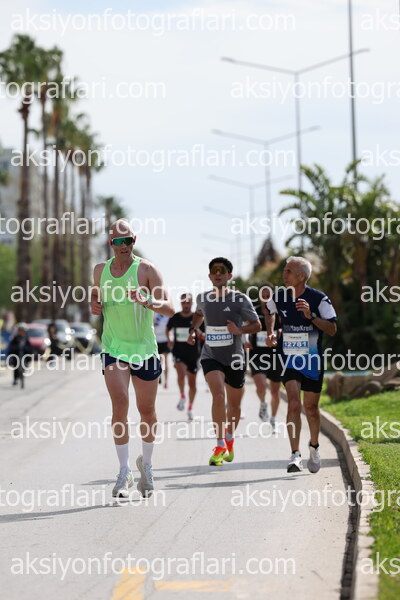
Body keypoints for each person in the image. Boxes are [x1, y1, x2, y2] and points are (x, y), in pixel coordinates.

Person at [91, 220, 174, 498]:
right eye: (118, 241)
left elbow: (170, 308)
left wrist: (147, 300)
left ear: (134, 241)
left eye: (128, 240)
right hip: (114, 348)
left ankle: (146, 465)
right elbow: (96, 295)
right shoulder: (100, 270)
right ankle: (124, 471)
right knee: (120, 404)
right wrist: (94, 303)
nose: (123, 245)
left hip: (144, 350)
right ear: (110, 243)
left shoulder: (147, 270)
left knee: (147, 410)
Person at [266, 256, 337, 473]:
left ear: (301, 276)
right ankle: (295, 455)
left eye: (288, 271)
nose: (284, 274)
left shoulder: (319, 299)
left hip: (312, 359)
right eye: (284, 270)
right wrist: (270, 331)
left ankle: (314, 447)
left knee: (311, 409)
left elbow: (332, 329)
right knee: (294, 403)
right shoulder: (279, 296)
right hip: (288, 357)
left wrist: (311, 316)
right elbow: (269, 310)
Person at [188, 257, 261, 466]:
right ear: (209, 276)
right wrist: (193, 330)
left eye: (222, 271)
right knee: (218, 396)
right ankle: (220, 445)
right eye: (214, 271)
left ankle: (229, 437)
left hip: (235, 357)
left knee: (235, 407)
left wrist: (240, 330)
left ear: (229, 276)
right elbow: (198, 315)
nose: (218, 274)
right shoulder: (202, 298)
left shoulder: (240, 299)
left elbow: (256, 325)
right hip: (211, 356)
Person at [246, 284, 281, 431]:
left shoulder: (278, 311)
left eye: (269, 295)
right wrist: (245, 340)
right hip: (257, 354)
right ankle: (263, 404)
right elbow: (245, 326)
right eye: (263, 295)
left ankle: (273, 419)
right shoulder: (253, 311)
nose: (266, 298)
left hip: (275, 355)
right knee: (260, 386)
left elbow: (284, 327)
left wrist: (280, 333)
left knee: (275, 391)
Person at [167, 293, 203, 420]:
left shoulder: (197, 317)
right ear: (181, 303)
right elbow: (168, 329)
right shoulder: (175, 317)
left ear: (192, 303)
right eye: (183, 302)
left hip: (193, 354)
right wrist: (169, 339)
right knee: (181, 375)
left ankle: (190, 407)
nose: (186, 304)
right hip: (179, 352)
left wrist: (198, 333)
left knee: (192, 384)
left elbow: (204, 334)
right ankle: (182, 395)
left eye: (188, 302)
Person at [153, 312, 171, 388]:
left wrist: (170, 339)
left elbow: (170, 328)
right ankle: (159, 376)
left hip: (165, 340)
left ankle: (166, 381)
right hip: (155, 340)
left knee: (165, 360)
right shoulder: (153, 313)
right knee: (157, 361)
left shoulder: (168, 314)